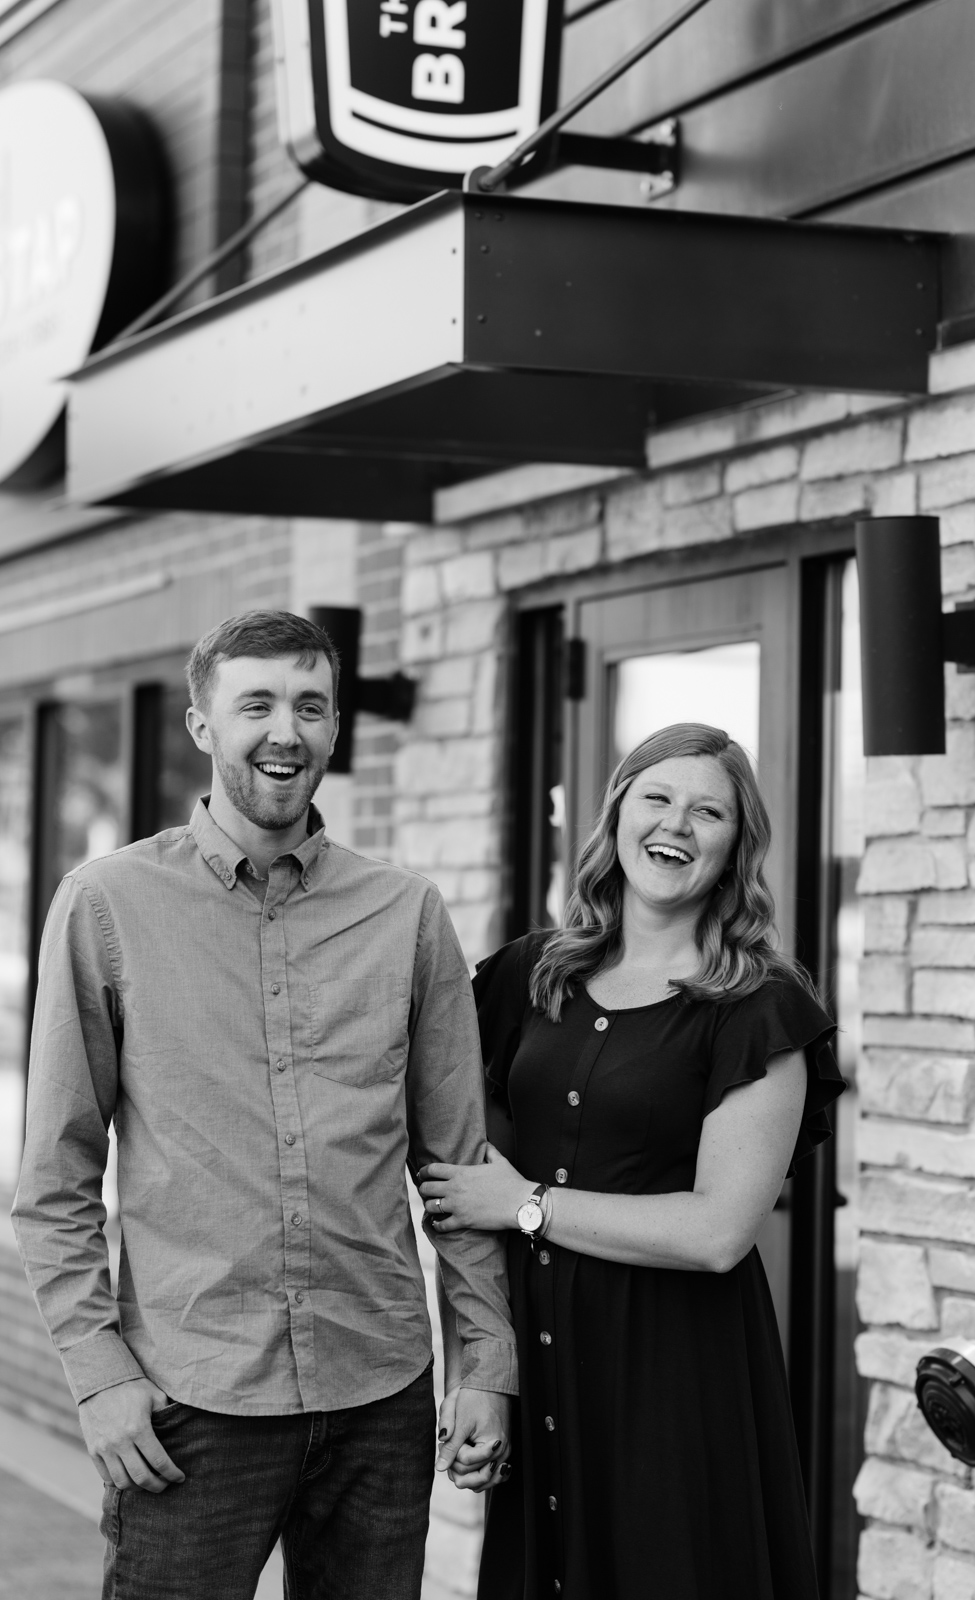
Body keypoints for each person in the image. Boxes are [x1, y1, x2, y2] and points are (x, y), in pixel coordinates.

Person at [13, 610, 516, 1600]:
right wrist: (100, 1374)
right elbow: (56, 1180)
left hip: (378, 1391)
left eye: (309, 706)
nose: (284, 731)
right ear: (202, 725)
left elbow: (457, 1167)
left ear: (334, 731)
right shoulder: (109, 903)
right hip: (188, 1399)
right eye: (256, 704)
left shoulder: (404, 912)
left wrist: (485, 1361)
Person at [419, 721, 844, 1600]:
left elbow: (719, 1232)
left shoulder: (759, 1007)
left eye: (708, 813)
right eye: (656, 798)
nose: (676, 826)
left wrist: (527, 1204)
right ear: (616, 816)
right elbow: (451, 1174)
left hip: (673, 1374)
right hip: (538, 1362)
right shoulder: (523, 978)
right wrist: (479, 1371)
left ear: (735, 848)